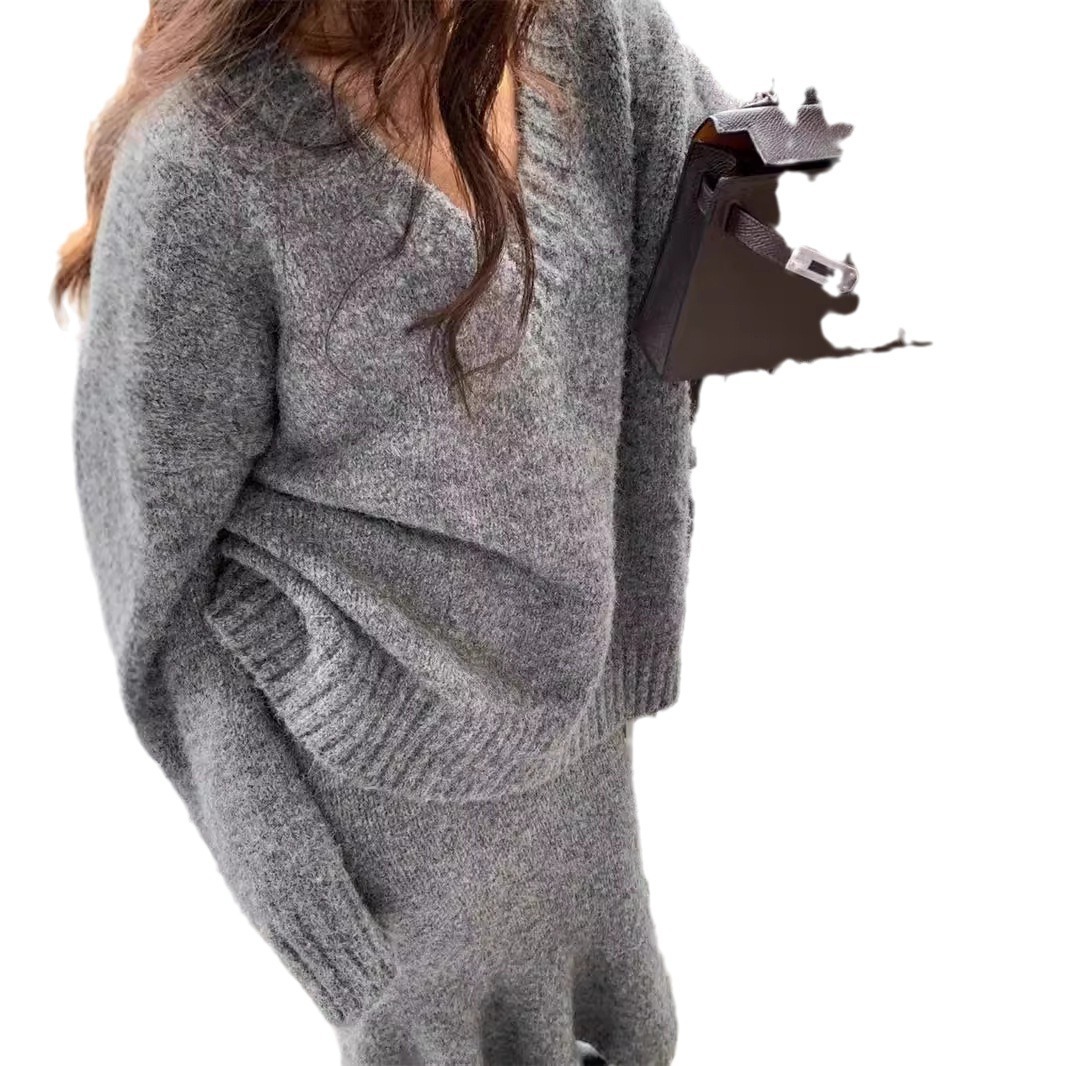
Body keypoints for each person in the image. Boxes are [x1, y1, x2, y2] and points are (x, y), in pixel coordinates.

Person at [55, 1, 743, 1062]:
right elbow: (154, 585)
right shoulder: (201, 164)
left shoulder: (594, 36)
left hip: (584, 768)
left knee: (633, 1032)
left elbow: (729, 203)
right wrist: (284, 866)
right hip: (380, 818)